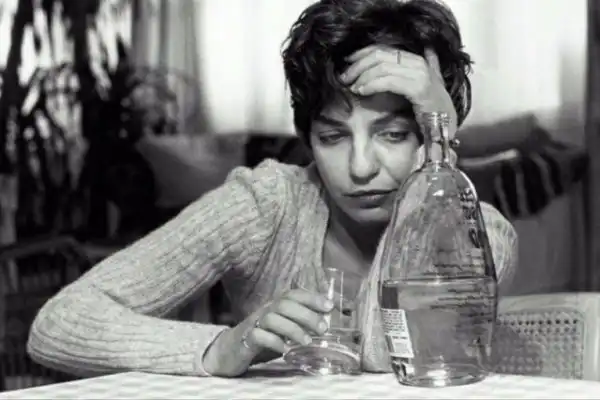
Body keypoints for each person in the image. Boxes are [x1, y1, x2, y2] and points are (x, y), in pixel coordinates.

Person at [28, 0, 517, 378]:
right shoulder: (268, 204)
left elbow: (383, 351)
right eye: (332, 137)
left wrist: (436, 150)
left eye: (393, 134)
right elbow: (60, 324)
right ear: (307, 138)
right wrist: (218, 348)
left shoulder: (482, 239)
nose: (360, 167)